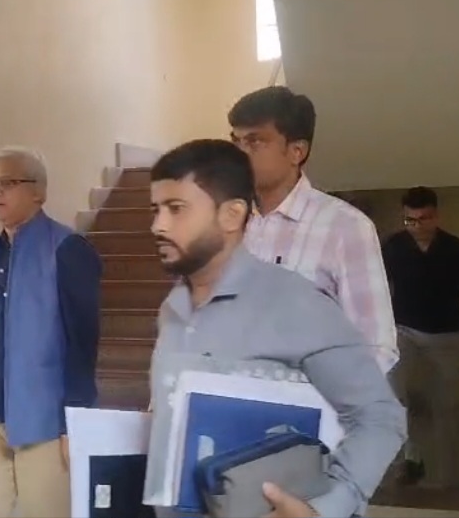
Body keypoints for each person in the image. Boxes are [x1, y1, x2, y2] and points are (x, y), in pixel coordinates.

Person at [149, 139, 406, 518]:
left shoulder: (297, 304)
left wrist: (322, 509)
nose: (158, 225)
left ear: (232, 214)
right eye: (155, 210)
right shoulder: (173, 309)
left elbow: (381, 418)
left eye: (176, 209)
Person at [0, 146, 103, 517]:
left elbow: (82, 344)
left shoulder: (68, 249)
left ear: (39, 192)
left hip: (44, 421)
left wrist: (74, 422)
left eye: (7, 183)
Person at [228, 86, 398, 373]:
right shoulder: (223, 224)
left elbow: (375, 347)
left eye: (255, 142)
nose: (239, 154)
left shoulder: (346, 228)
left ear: (296, 151)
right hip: (225, 392)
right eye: (236, 142)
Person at [381, 186, 459, 489]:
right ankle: (411, 460)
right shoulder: (393, 247)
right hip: (403, 332)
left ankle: (449, 480)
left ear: (437, 216)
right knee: (394, 397)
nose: (417, 226)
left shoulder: (457, 250)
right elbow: (376, 289)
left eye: (424, 219)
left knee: (446, 407)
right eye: (410, 220)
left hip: (447, 337)